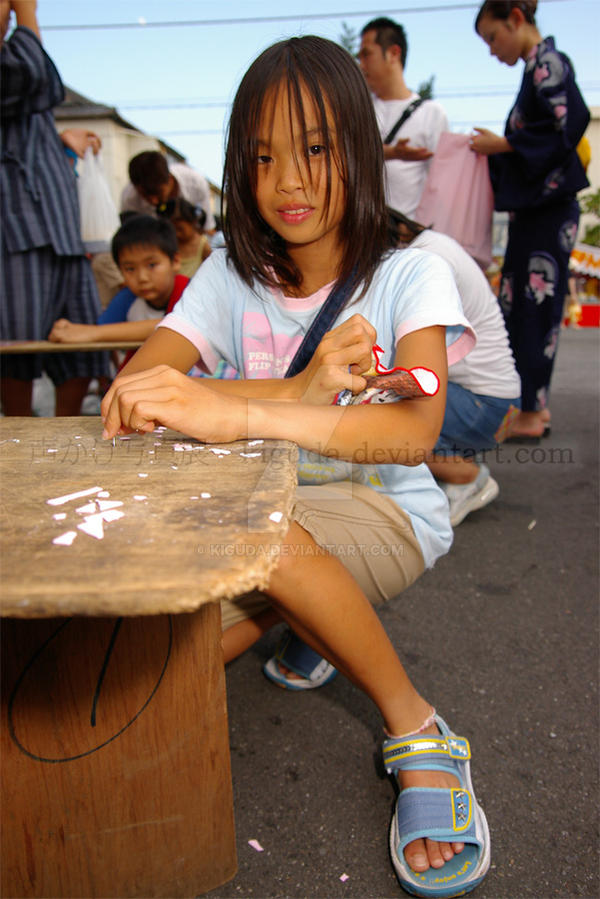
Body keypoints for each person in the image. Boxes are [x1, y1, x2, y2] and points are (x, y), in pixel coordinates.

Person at [101, 36, 491, 897]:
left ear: (358, 144)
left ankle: (418, 727)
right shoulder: (227, 276)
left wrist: (237, 407)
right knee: (153, 669)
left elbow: (412, 431)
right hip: (264, 512)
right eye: (264, 156)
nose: (289, 181)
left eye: (315, 149)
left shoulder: (407, 275)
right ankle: (306, 620)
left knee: (264, 538)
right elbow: (136, 394)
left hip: (385, 509)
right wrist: (299, 385)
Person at [471, 0, 589, 440]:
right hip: (536, 211)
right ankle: (529, 406)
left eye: (492, 37)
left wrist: (504, 145)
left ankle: (532, 411)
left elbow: (570, 122)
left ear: (516, 20)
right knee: (521, 306)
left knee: (536, 308)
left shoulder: (548, 63)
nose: (491, 49)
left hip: (549, 210)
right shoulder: (535, 67)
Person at [0, 0, 107, 415]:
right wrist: (27, 12)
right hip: (19, 233)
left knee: (82, 347)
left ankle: (60, 434)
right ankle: (19, 434)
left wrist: (61, 139)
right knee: (16, 349)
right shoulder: (19, 65)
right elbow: (30, 73)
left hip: (63, 232)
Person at [390, 209, 521, 526]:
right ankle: (452, 456)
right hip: (493, 404)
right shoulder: (432, 246)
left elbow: (411, 362)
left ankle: (467, 475)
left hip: (486, 407)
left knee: (374, 417)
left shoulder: (425, 262)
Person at [49, 216, 187, 358]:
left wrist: (89, 332)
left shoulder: (188, 291)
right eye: (130, 269)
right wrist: (73, 331)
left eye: (151, 265)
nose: (142, 278)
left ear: (175, 261)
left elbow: (175, 326)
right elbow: (104, 328)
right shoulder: (128, 297)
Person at [357, 17, 448, 218]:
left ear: (393, 53)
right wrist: (393, 153)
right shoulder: (358, 111)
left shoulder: (431, 114)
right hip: (364, 238)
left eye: (366, 54)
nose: (361, 64)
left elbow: (442, 185)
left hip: (413, 238)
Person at [120, 150, 216, 232]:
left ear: (170, 179)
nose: (154, 201)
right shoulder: (130, 197)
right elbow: (130, 235)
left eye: (158, 193)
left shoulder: (196, 184)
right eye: (145, 195)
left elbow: (206, 228)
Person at [157, 197, 212, 278]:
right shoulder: (168, 244)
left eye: (180, 229)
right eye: (172, 229)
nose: (176, 234)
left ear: (193, 223)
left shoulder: (203, 246)